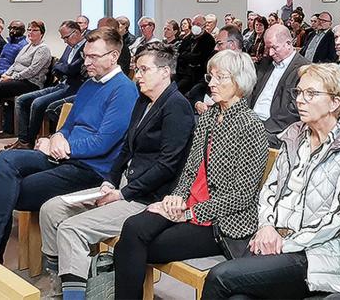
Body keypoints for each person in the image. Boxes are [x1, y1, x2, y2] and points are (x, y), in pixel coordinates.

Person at [201, 64, 340, 299]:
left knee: (220, 277)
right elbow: (270, 189)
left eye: (310, 94)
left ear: (335, 102)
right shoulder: (294, 135)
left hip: (318, 254)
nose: (300, 101)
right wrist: (266, 227)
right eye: (299, 92)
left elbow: (339, 218)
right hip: (276, 239)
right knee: (238, 298)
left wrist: (285, 243)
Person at [38, 43, 193, 299]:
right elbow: (125, 149)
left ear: (165, 72)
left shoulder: (177, 106)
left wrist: (122, 194)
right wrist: (110, 181)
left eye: (144, 69)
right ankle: (63, 282)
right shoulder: (144, 101)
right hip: (122, 186)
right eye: (137, 69)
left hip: (146, 199)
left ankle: (72, 296)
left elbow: (167, 166)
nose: (137, 75)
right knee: (51, 210)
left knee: (70, 229)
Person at [113, 50, 268, 300]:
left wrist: (189, 212)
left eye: (220, 77)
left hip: (221, 221)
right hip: (188, 205)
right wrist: (176, 198)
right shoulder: (208, 117)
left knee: (131, 246)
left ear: (239, 82)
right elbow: (190, 170)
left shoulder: (250, 126)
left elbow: (241, 196)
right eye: (211, 76)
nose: (211, 83)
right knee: (133, 228)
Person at [0, 27, 137, 262]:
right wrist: (57, 137)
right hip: (64, 157)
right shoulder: (90, 85)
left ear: (113, 56)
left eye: (94, 57)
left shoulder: (124, 91)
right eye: (85, 55)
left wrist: (62, 145)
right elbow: (68, 125)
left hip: (91, 170)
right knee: (5, 160)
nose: (87, 62)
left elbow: (103, 143)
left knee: (11, 188)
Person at [8, 21, 85, 150]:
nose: (65, 41)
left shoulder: (85, 48)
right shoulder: (70, 46)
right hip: (61, 84)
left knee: (37, 103)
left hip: (72, 88)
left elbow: (71, 69)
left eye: (66, 37)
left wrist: (63, 68)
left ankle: (30, 142)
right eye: (63, 38)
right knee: (22, 100)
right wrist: (63, 68)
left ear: (76, 32)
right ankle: (23, 140)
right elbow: (58, 66)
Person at [0, 20, 52, 136]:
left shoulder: (43, 49)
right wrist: (6, 74)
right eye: (29, 30)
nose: (31, 32)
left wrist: (12, 77)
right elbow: (15, 64)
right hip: (17, 79)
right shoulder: (27, 46)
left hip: (31, 83)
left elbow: (32, 70)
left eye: (35, 30)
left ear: (42, 33)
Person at [248, 25, 309, 146]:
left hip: (276, 129)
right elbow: (251, 92)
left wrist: (260, 128)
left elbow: (295, 110)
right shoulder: (265, 63)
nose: (270, 53)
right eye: (268, 47)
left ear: (288, 44)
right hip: (252, 122)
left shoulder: (304, 70)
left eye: (274, 48)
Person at [177, 14, 214, 94]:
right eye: (193, 24)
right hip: (184, 73)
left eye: (198, 24)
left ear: (204, 26)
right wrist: (188, 56)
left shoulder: (208, 39)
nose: (195, 26)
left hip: (198, 75)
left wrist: (187, 56)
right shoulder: (188, 38)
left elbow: (200, 58)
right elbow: (180, 53)